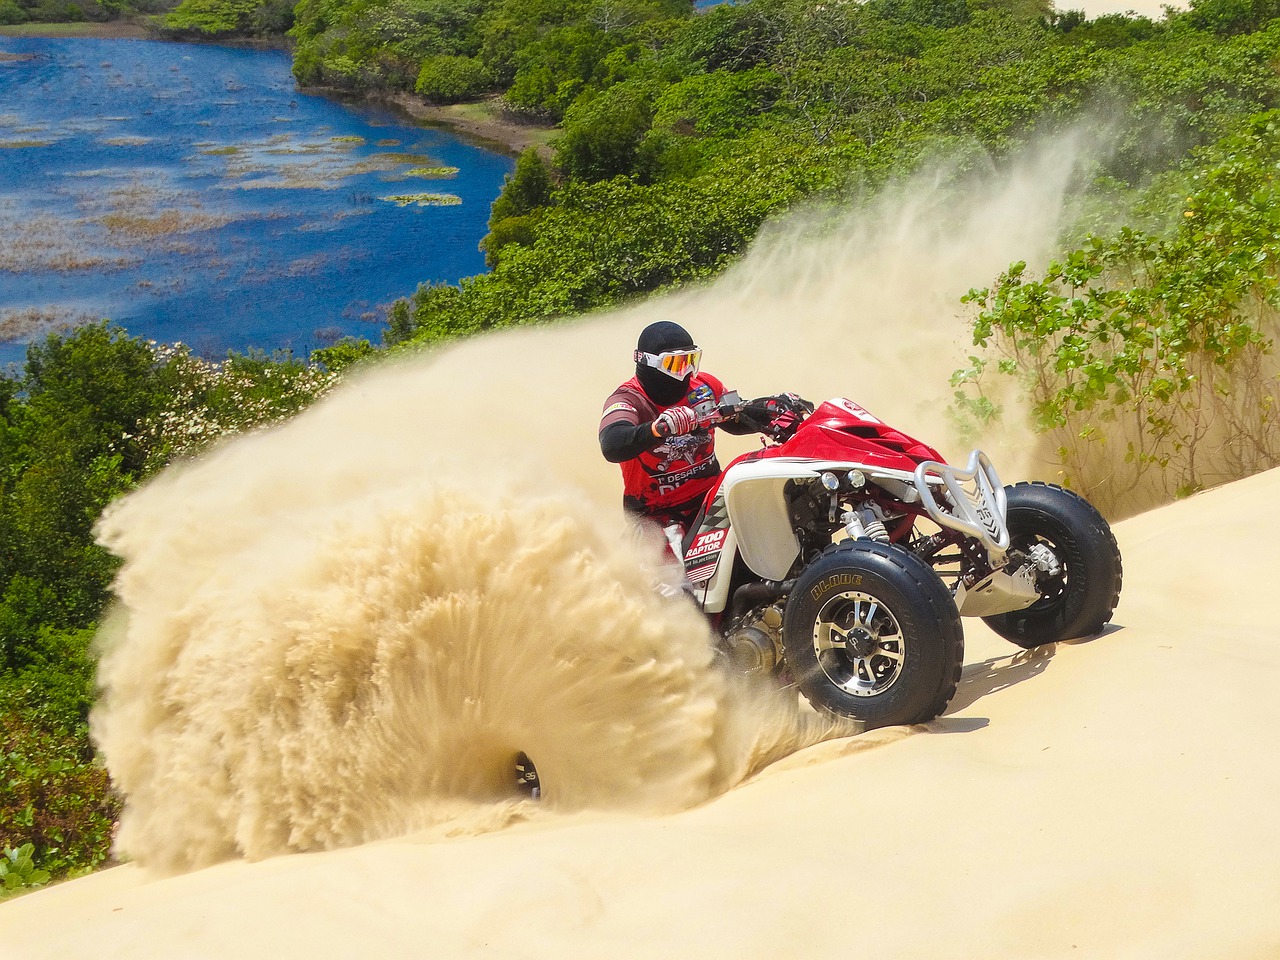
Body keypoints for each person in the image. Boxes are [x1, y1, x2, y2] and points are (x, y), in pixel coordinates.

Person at [599, 321, 754, 532]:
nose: (687, 371)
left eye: (691, 360)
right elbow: (612, 444)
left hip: (712, 497)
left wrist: (774, 411)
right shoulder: (629, 398)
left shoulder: (704, 385)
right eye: (676, 364)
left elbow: (736, 420)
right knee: (670, 562)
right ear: (650, 363)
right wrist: (657, 429)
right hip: (654, 514)